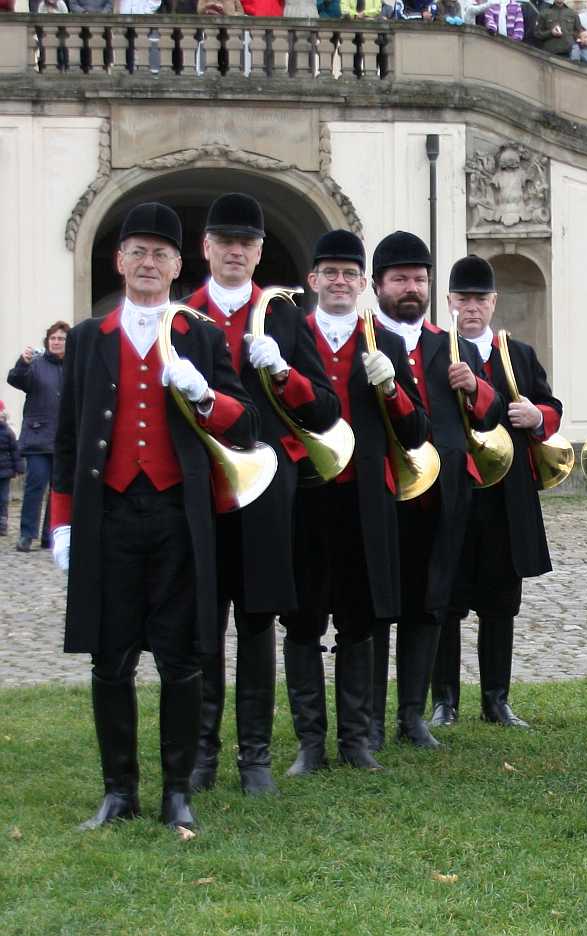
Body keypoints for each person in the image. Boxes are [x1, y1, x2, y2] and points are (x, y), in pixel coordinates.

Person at [51, 202, 260, 832]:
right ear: (118, 262)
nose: (148, 263)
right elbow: (67, 441)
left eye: (160, 254)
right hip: (109, 516)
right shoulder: (89, 338)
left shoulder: (200, 334)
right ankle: (119, 791)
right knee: (110, 659)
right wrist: (61, 522)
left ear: (178, 263)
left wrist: (203, 392)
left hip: (177, 515)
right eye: (137, 252)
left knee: (183, 657)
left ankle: (177, 790)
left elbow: (245, 422)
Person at [180, 193, 341, 797]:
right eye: (225, 242)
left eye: (246, 243)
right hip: (197, 489)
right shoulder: (181, 315)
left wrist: (282, 372)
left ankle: (253, 757)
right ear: (206, 249)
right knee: (202, 626)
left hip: (264, 489)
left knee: (254, 623)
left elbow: (324, 407)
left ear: (259, 251)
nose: (235, 252)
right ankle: (201, 755)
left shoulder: (283, 315)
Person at [280, 230, 429, 776]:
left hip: (364, 499)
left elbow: (416, 430)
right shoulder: (289, 335)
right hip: (304, 497)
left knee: (359, 620)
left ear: (364, 284)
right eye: (330, 273)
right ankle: (310, 742)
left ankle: (356, 739)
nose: (340, 282)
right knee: (301, 620)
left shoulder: (384, 342)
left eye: (350, 274)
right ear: (313, 280)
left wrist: (392, 389)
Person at [365, 233, 504, 749]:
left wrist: (474, 385)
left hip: (443, 491)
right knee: (379, 605)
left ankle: (412, 715)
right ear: (378, 285)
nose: (410, 288)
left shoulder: (454, 345)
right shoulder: (365, 341)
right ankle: (372, 717)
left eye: (419, 279)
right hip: (384, 491)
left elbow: (489, 416)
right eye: (399, 279)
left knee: (430, 604)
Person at [432, 255, 563, 731]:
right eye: (463, 299)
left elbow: (550, 404)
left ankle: (496, 698)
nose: (471, 308)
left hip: (506, 493)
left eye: (479, 300)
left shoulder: (519, 353)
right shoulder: (436, 349)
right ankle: (444, 699)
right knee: (446, 598)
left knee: (501, 599)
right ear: (449, 302)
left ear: (493, 303)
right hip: (454, 488)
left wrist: (539, 417)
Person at [7, 320, 66, 553]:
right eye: (53, 338)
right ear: (47, 341)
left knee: (58, 490)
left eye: (61, 338)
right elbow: (16, 379)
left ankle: (49, 535)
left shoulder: (74, 366)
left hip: (64, 439)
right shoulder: (36, 365)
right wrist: (23, 362)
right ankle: (26, 534)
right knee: (35, 487)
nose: (56, 342)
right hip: (38, 437)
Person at [0, 406, 19, 537]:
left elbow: (15, 451)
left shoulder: (8, 432)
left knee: (3, 499)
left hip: (4, 471)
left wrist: (19, 468)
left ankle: (2, 525)